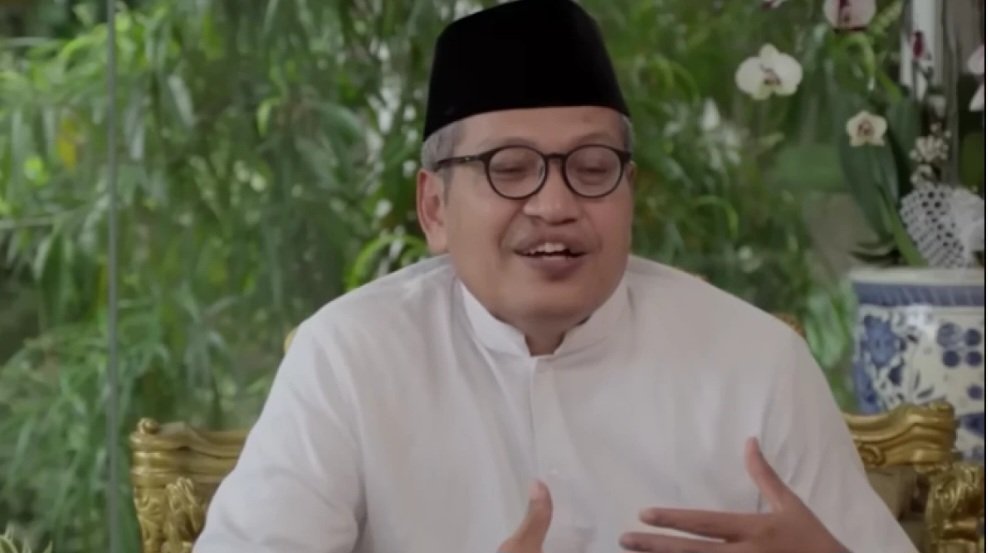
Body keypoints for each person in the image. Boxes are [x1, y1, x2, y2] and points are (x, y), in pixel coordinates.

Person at [194, 1, 918, 552]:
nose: (554, 205)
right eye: (509, 169)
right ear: (435, 207)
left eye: (592, 168)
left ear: (631, 193)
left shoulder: (757, 364)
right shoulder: (348, 357)